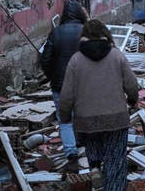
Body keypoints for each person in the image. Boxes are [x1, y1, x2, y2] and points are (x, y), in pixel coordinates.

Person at [59, 19, 139, 191]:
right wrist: (133, 99)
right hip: (116, 119)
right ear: (105, 34)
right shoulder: (117, 55)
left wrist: (65, 117)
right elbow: (131, 84)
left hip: (86, 121)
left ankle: (95, 169)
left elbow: (66, 95)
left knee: (93, 151)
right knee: (115, 161)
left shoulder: (76, 60)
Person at [40, 0, 87, 170]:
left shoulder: (56, 33)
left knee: (65, 120)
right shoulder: (86, 32)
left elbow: (45, 58)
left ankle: (71, 153)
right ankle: (85, 146)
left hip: (60, 84)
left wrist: (52, 75)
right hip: (82, 83)